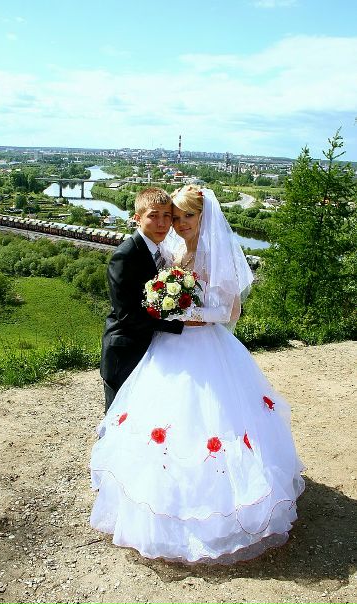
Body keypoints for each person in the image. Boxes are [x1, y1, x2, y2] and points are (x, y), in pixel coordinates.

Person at [90, 185, 305, 564]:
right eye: (175, 216)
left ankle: (220, 505)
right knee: (165, 419)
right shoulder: (172, 251)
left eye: (187, 216)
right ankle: (164, 495)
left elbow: (230, 310)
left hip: (204, 346)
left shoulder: (214, 253)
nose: (179, 223)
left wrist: (186, 315)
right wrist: (170, 312)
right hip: (168, 345)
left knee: (211, 419)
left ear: (204, 217)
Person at [100, 187, 185, 412]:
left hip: (151, 350)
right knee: (119, 419)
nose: (162, 223)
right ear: (137, 218)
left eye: (167, 216)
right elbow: (127, 316)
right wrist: (180, 324)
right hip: (126, 352)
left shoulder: (160, 250)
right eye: (153, 215)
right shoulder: (125, 256)